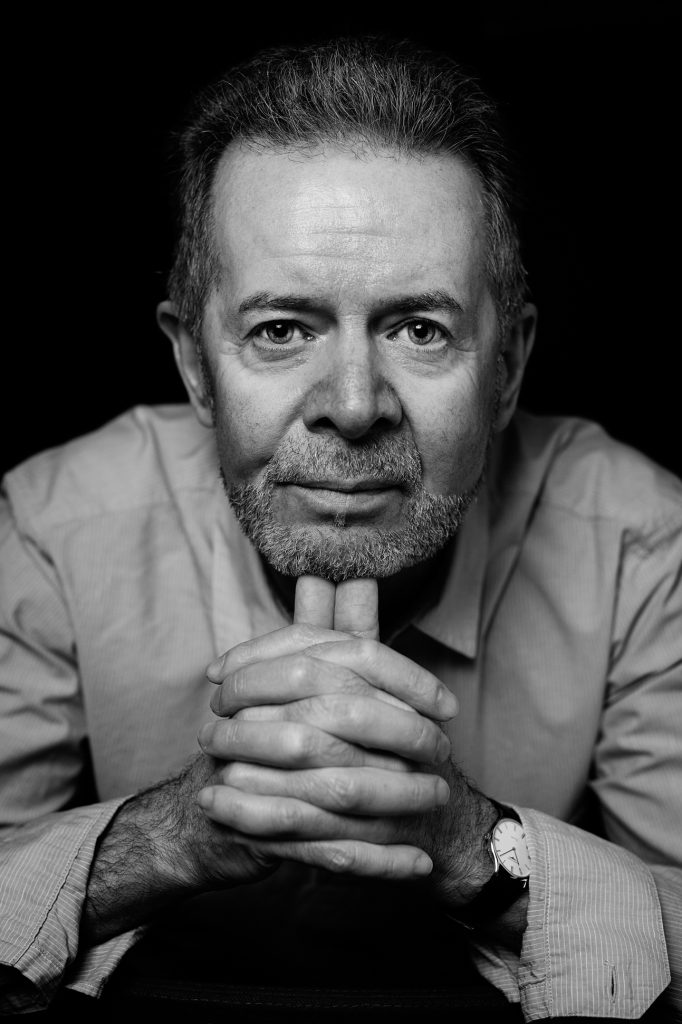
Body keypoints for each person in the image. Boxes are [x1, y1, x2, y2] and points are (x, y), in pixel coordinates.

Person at [0, 37, 680, 1020]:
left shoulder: (638, 541)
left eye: (419, 328)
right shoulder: (55, 528)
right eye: (281, 329)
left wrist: (467, 841)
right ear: (194, 365)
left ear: (510, 365)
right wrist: (174, 832)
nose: (354, 406)